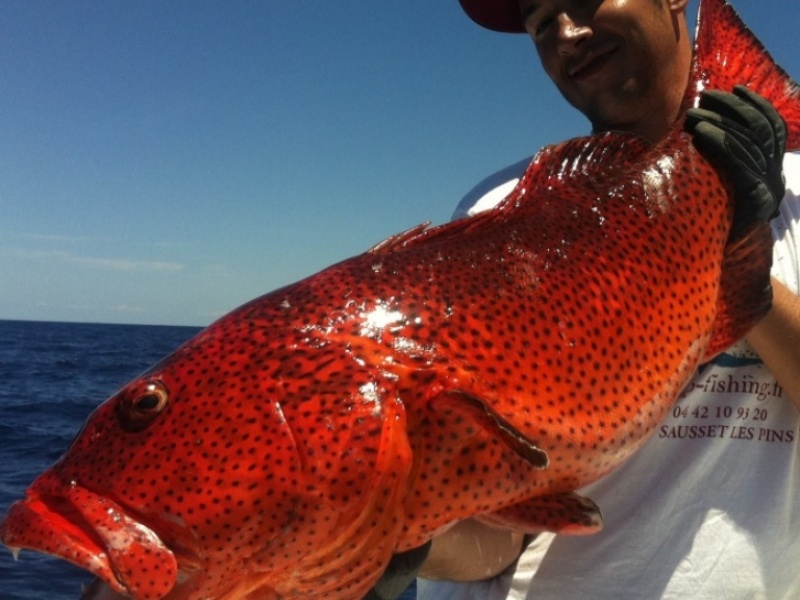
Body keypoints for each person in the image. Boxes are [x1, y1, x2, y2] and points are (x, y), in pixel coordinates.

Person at [404, 1, 800, 599]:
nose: (566, 32)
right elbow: (500, 538)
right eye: (541, 22)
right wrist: (400, 542)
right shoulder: (502, 213)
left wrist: (734, 241)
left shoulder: (792, 196)